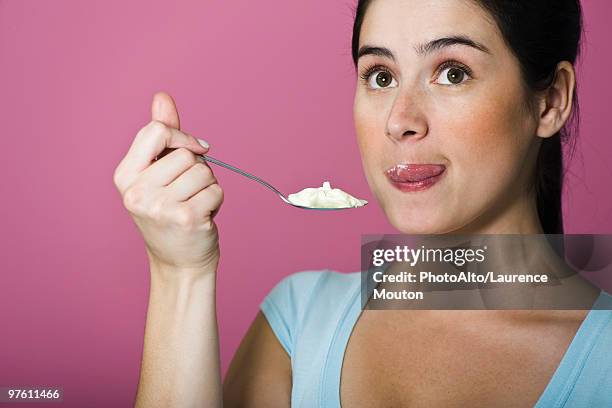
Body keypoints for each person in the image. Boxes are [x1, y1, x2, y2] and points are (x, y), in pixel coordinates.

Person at [112, 0, 612, 406]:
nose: (399, 120)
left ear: (551, 101)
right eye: (380, 75)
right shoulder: (299, 325)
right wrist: (180, 273)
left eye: (453, 72)